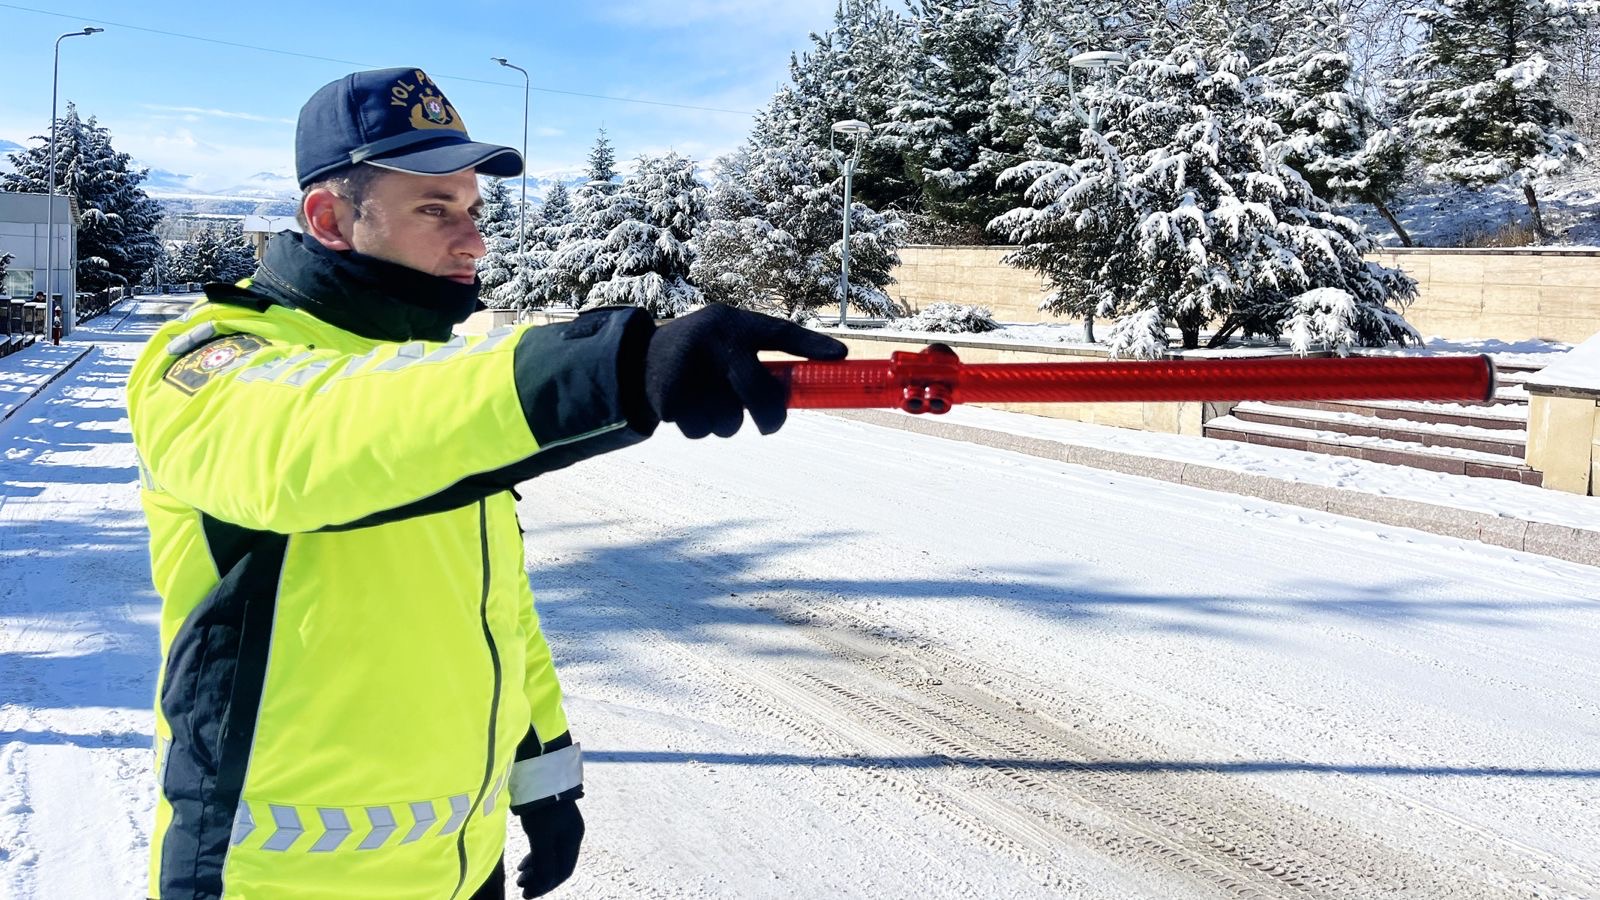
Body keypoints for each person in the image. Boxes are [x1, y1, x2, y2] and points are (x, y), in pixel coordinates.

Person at [126, 66, 846, 900]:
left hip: (461, 868)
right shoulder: (209, 358)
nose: (473, 240)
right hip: (273, 877)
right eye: (435, 209)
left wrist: (542, 774)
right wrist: (610, 367)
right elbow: (316, 440)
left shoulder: (435, 375)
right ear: (329, 217)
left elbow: (492, 608)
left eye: (473, 210)